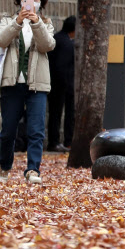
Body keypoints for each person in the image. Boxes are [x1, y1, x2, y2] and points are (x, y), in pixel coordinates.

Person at [0, 0, 55, 184]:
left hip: (37, 85)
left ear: (41, 2)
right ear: (20, 1)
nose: (31, 2)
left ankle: (33, 170)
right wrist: (17, 22)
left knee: (36, 130)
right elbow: (0, 40)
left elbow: (47, 45)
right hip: (12, 84)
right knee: (8, 130)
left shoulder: (46, 23)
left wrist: (36, 23)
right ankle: (4, 167)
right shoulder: (8, 20)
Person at [47, 15, 76, 152]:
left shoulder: (56, 38)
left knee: (54, 114)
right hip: (62, 85)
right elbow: (62, 66)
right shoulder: (67, 44)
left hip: (52, 83)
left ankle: (55, 141)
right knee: (62, 114)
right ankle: (61, 142)